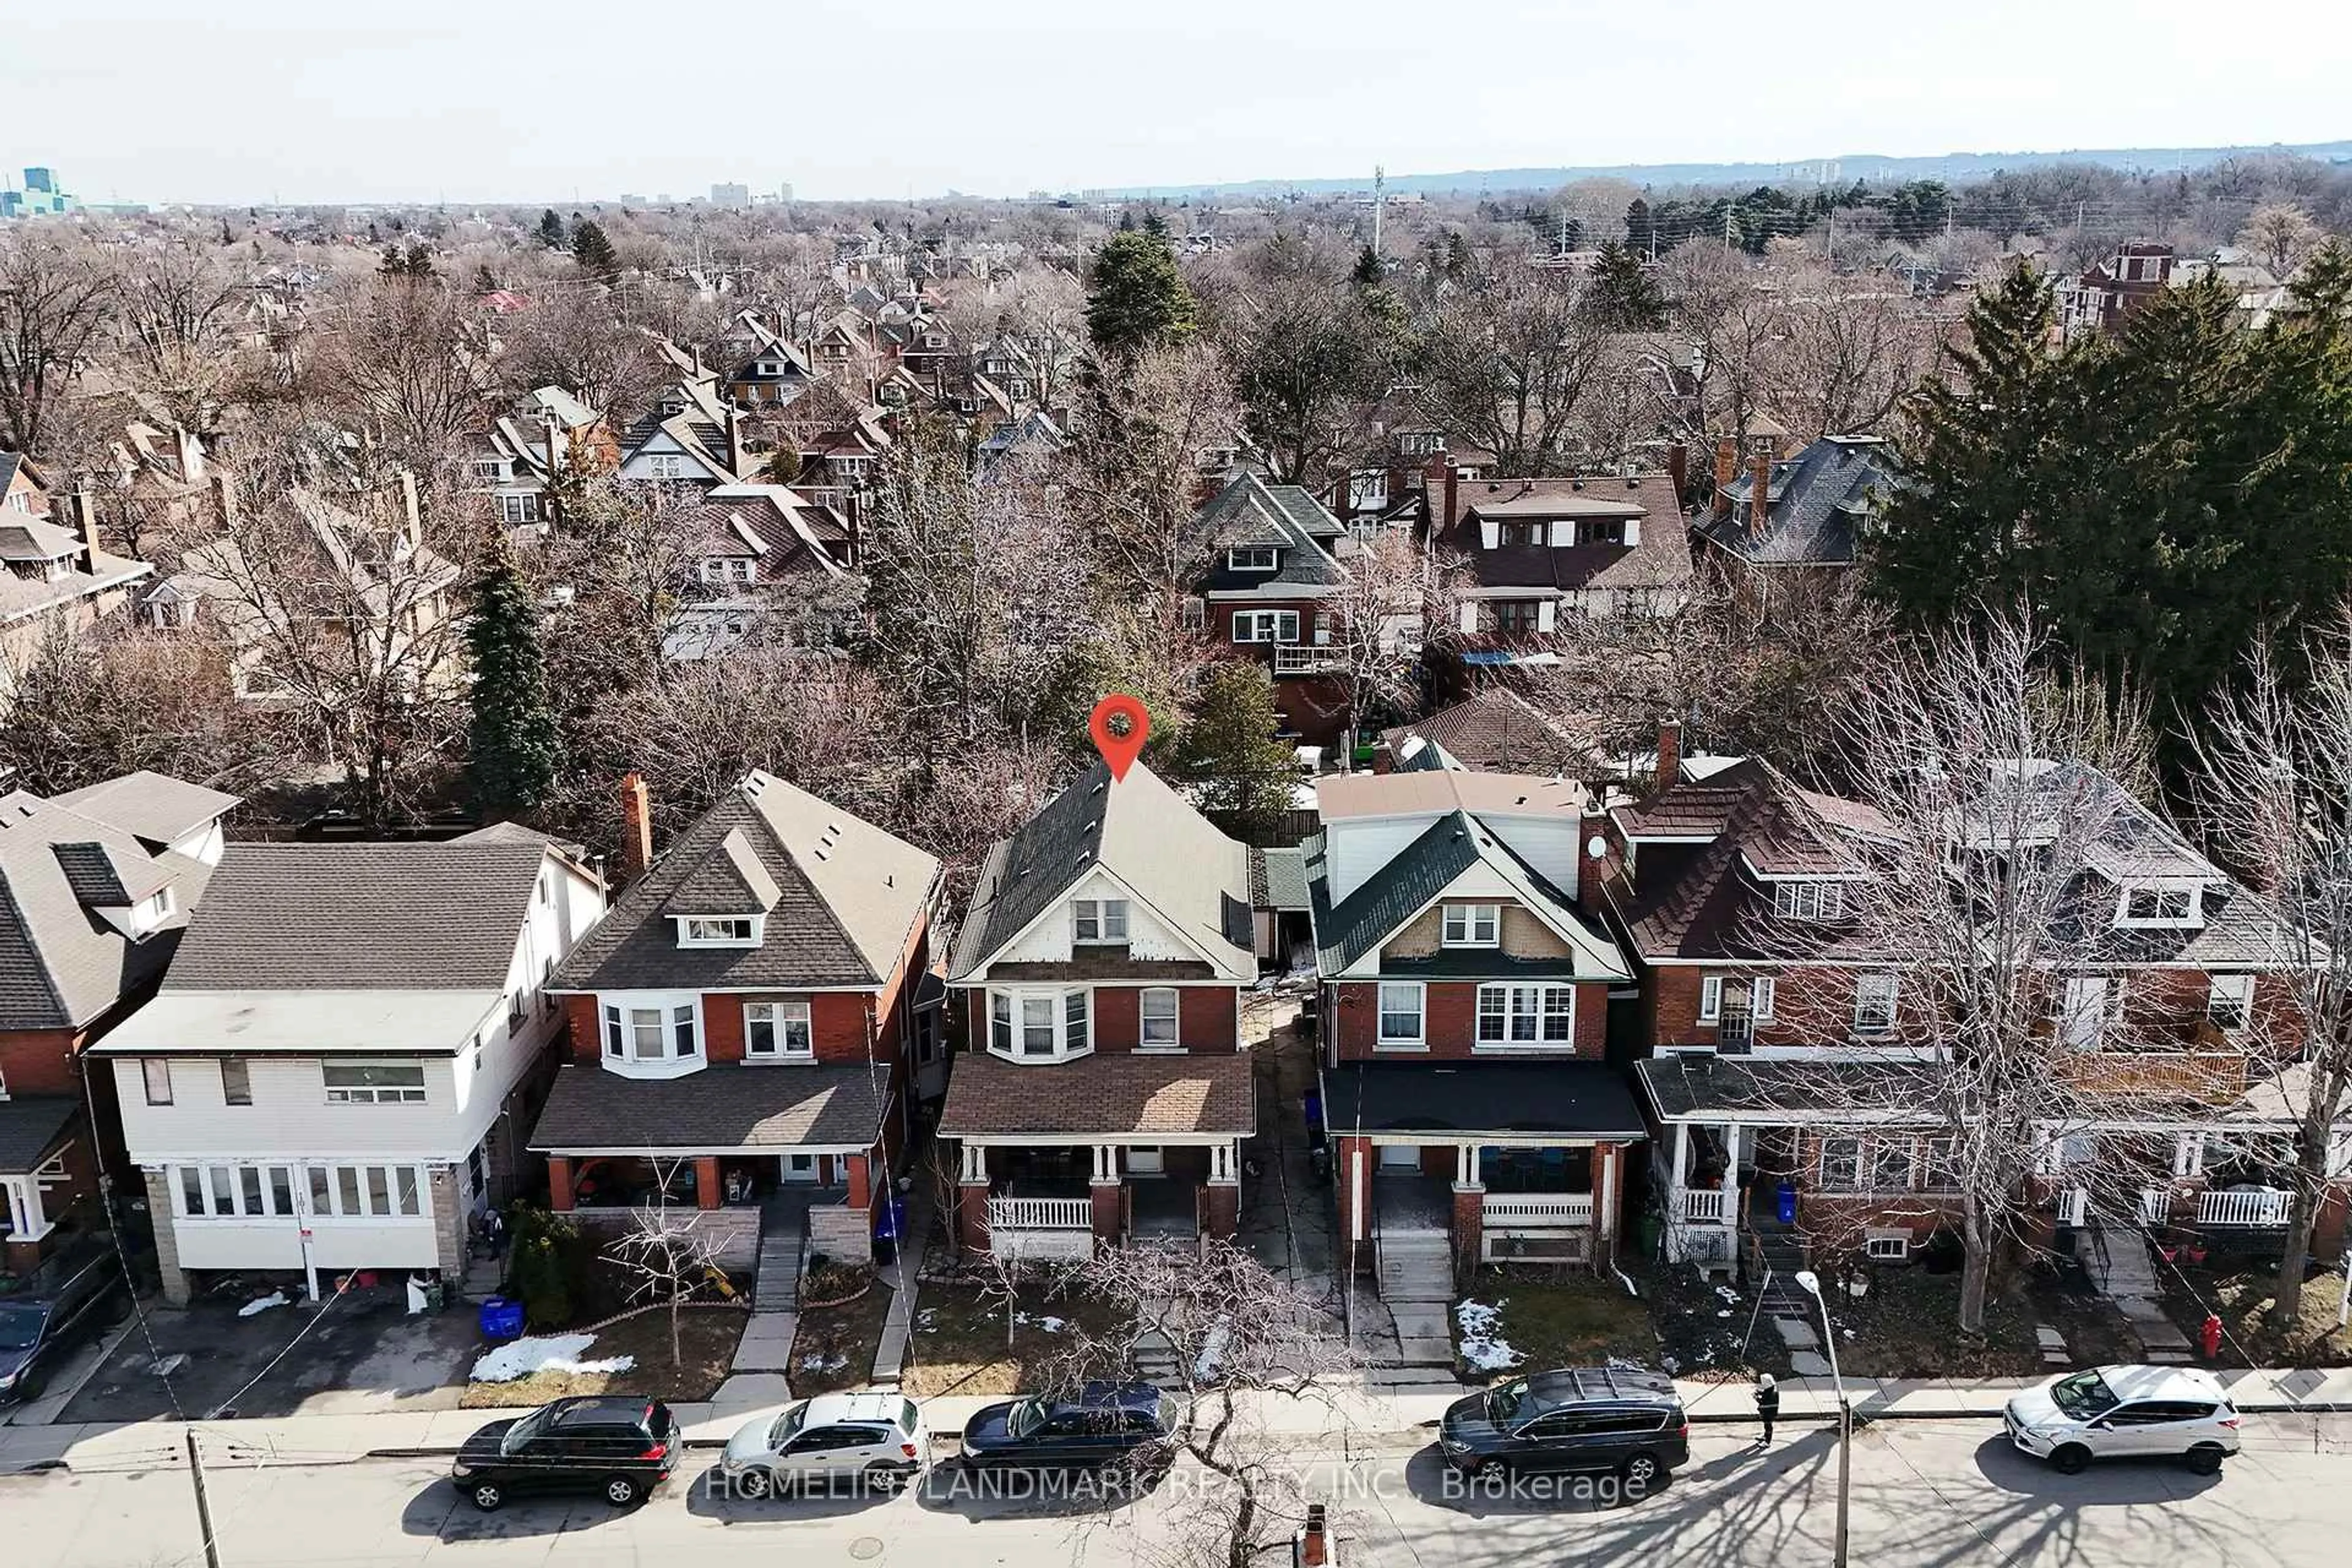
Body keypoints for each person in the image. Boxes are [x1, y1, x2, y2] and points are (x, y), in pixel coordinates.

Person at [1755, 1373, 1780, 1447]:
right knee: (1767, 1426)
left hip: (1768, 1413)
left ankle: (1767, 1442)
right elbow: (1766, 1393)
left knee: (1768, 1426)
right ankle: (1765, 1437)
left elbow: (1762, 1401)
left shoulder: (1769, 1392)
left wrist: (1755, 1397)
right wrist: (1759, 1392)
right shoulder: (1772, 1389)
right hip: (1771, 1412)